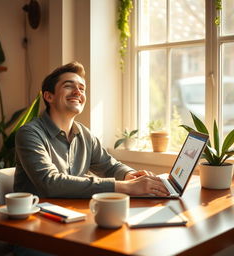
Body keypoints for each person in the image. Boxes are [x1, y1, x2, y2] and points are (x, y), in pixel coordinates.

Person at [14, 61, 169, 198]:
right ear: (49, 97)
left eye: (82, 88)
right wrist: (126, 187)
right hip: (35, 219)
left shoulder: (84, 134)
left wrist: (130, 175)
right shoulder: (29, 133)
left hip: (73, 214)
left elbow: (110, 166)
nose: (78, 92)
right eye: (68, 86)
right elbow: (49, 183)